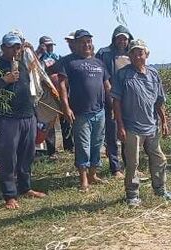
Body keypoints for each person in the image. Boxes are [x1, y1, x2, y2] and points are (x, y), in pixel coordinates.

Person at [0, 32, 46, 209]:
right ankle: (9, 195)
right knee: (8, 157)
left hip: (28, 116)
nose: (15, 50)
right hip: (7, 119)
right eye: (11, 47)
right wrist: (4, 80)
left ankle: (25, 188)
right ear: (3, 48)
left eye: (18, 46)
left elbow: (38, 74)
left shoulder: (24, 63)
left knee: (27, 155)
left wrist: (34, 50)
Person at [112, 39, 171, 207]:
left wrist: (164, 121)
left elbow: (159, 101)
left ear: (146, 54)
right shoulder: (123, 74)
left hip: (152, 125)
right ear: (129, 55)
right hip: (132, 126)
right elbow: (116, 101)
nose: (137, 56)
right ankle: (132, 194)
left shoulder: (154, 74)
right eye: (133, 52)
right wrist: (120, 126)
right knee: (133, 162)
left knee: (159, 158)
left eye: (140, 52)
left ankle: (160, 188)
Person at [55, 29, 111, 192]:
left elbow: (107, 86)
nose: (86, 45)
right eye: (82, 42)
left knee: (96, 144)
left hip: (99, 111)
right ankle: (83, 180)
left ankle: (93, 175)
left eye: (88, 42)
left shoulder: (99, 63)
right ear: (76, 44)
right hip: (80, 112)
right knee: (82, 146)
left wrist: (114, 105)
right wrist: (65, 107)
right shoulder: (68, 62)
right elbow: (62, 86)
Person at [96, 25, 135, 179]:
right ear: (114, 39)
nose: (122, 41)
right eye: (119, 38)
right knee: (112, 134)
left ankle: (130, 165)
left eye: (125, 38)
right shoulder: (104, 54)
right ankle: (115, 168)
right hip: (110, 99)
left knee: (129, 134)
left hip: (129, 101)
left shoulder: (132, 55)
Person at [37, 35, 60, 159]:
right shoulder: (36, 57)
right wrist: (39, 53)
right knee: (41, 122)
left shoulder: (56, 57)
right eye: (48, 45)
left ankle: (52, 151)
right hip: (41, 94)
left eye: (51, 45)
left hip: (53, 93)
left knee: (51, 122)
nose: (50, 48)